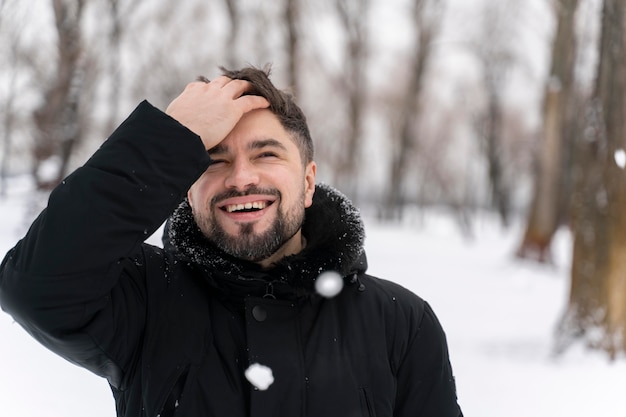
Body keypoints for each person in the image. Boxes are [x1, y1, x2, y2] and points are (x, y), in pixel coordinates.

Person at [0, 66, 463, 417]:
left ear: (307, 182)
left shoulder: (402, 323)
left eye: (266, 154)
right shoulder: (144, 297)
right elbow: (35, 287)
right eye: (213, 157)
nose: (241, 178)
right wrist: (168, 138)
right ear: (186, 182)